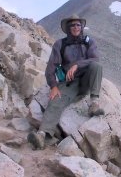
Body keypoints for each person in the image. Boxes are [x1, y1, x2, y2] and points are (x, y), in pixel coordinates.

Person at [27, 14, 104, 150]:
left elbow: (95, 59)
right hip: (69, 83)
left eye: (78, 25)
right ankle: (42, 135)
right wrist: (53, 86)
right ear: (68, 28)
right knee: (55, 100)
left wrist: (77, 65)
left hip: (86, 79)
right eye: (72, 25)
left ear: (82, 27)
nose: (75, 27)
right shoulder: (60, 44)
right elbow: (51, 67)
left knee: (96, 66)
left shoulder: (89, 42)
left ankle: (94, 103)